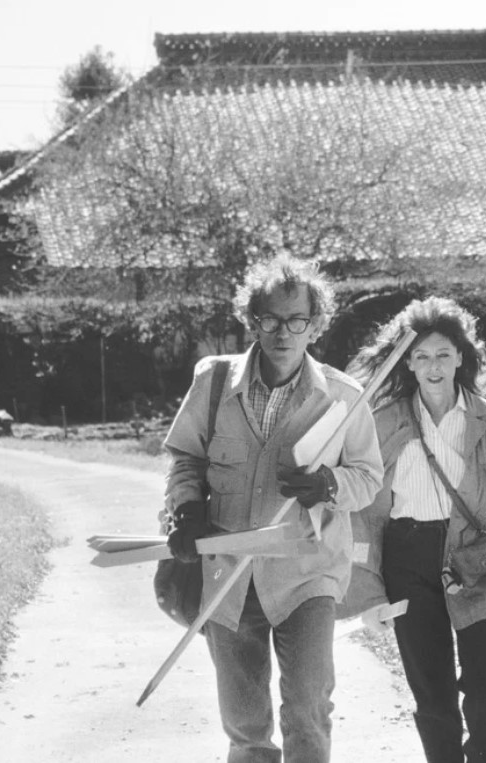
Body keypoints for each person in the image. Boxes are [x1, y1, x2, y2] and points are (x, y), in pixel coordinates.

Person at [161, 254, 384, 763]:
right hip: (229, 578)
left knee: (307, 709)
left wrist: (328, 483)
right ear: (252, 321)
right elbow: (185, 458)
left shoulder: (345, 398)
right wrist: (186, 509)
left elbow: (369, 478)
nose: (284, 333)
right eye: (271, 320)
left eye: (297, 321)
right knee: (245, 725)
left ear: (315, 325)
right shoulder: (213, 382)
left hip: (308, 575)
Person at [341, 297, 486, 763]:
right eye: (422, 356)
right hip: (406, 560)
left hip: (478, 559)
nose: (433, 366)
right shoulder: (381, 423)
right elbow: (362, 513)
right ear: (407, 361)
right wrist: (367, 592)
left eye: (443, 354)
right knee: (431, 690)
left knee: (485, 678)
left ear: (462, 358)